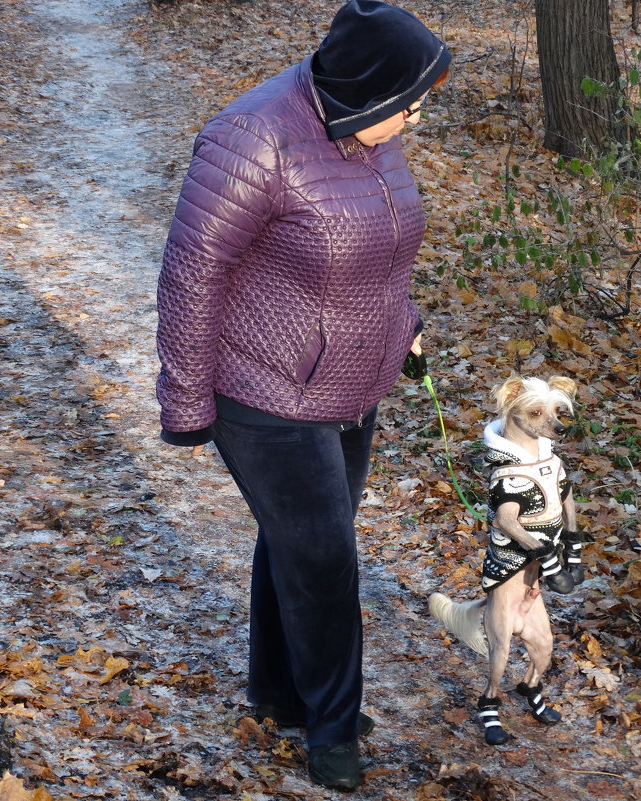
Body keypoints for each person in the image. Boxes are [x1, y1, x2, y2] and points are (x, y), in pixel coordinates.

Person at [155, 0, 451, 790]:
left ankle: (282, 693)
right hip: (263, 384)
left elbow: (381, 244)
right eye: (412, 102)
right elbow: (193, 269)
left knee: (299, 535)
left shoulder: (367, 131)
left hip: (352, 377)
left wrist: (407, 325)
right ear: (370, 94)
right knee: (324, 553)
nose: (418, 116)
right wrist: (186, 401)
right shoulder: (252, 139)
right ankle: (334, 730)